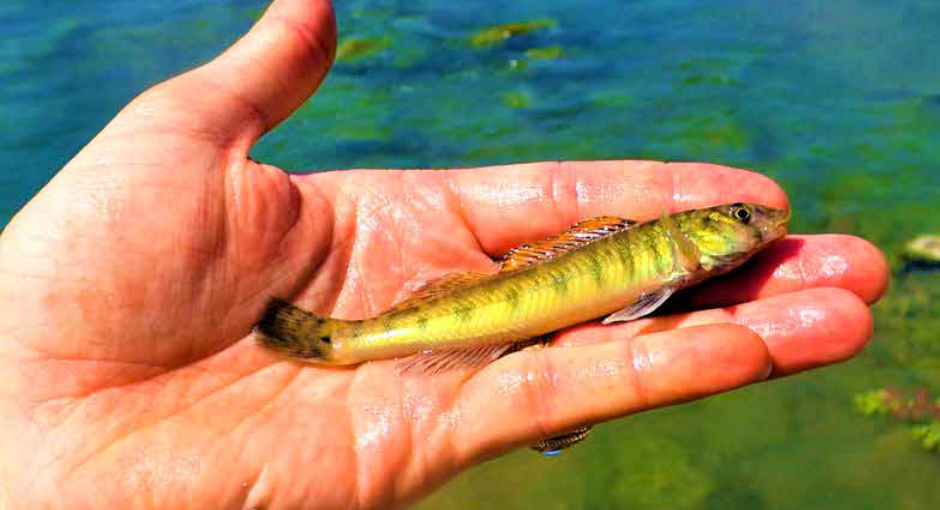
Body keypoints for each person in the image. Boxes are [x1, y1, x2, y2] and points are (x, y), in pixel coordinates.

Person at [0, 1, 888, 508]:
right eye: (737, 218)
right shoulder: (674, 251)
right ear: (697, 236)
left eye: (743, 220)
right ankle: (335, 340)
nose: (752, 225)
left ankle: (342, 341)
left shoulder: (681, 259)